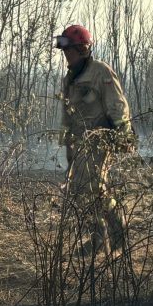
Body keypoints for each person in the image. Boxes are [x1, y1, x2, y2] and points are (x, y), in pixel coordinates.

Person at [55, 24, 135, 257]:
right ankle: (100, 237)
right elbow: (68, 112)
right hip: (78, 143)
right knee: (81, 190)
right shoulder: (70, 78)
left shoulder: (100, 72)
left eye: (69, 50)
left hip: (99, 140)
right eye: (64, 50)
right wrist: (67, 140)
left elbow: (117, 104)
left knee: (93, 188)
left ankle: (114, 233)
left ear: (82, 49)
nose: (66, 55)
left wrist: (123, 133)